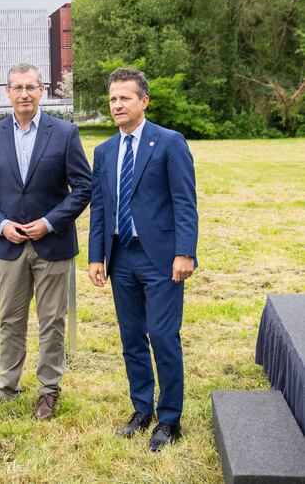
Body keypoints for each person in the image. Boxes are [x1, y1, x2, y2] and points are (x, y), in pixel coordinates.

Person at [0, 63, 92, 420]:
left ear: (42, 91)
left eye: (31, 87)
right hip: (9, 245)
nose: (24, 93)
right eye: (18, 87)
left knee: (52, 321)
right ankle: (6, 388)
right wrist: (1, 224)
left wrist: (50, 222)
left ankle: (48, 392)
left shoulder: (65, 133)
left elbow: (83, 187)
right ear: (7, 92)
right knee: (10, 319)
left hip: (53, 245)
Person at [87, 67, 198, 452]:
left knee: (163, 336)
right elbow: (100, 208)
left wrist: (185, 252)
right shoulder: (104, 151)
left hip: (163, 259)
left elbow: (185, 201)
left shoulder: (169, 143)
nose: (117, 104)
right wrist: (96, 256)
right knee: (132, 338)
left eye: (125, 98)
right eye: (113, 98)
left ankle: (169, 419)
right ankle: (141, 409)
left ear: (144, 101)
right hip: (121, 259)